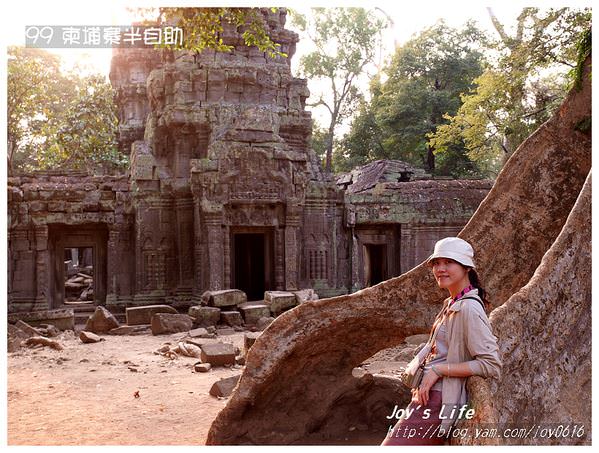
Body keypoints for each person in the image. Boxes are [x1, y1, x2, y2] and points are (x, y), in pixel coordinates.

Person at [381, 237, 502, 446]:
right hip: (427, 400)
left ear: (466, 268)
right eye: (436, 263)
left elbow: (490, 364)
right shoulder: (452, 303)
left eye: (449, 262)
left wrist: (439, 370)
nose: (440, 269)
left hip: (439, 403)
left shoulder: (469, 308)